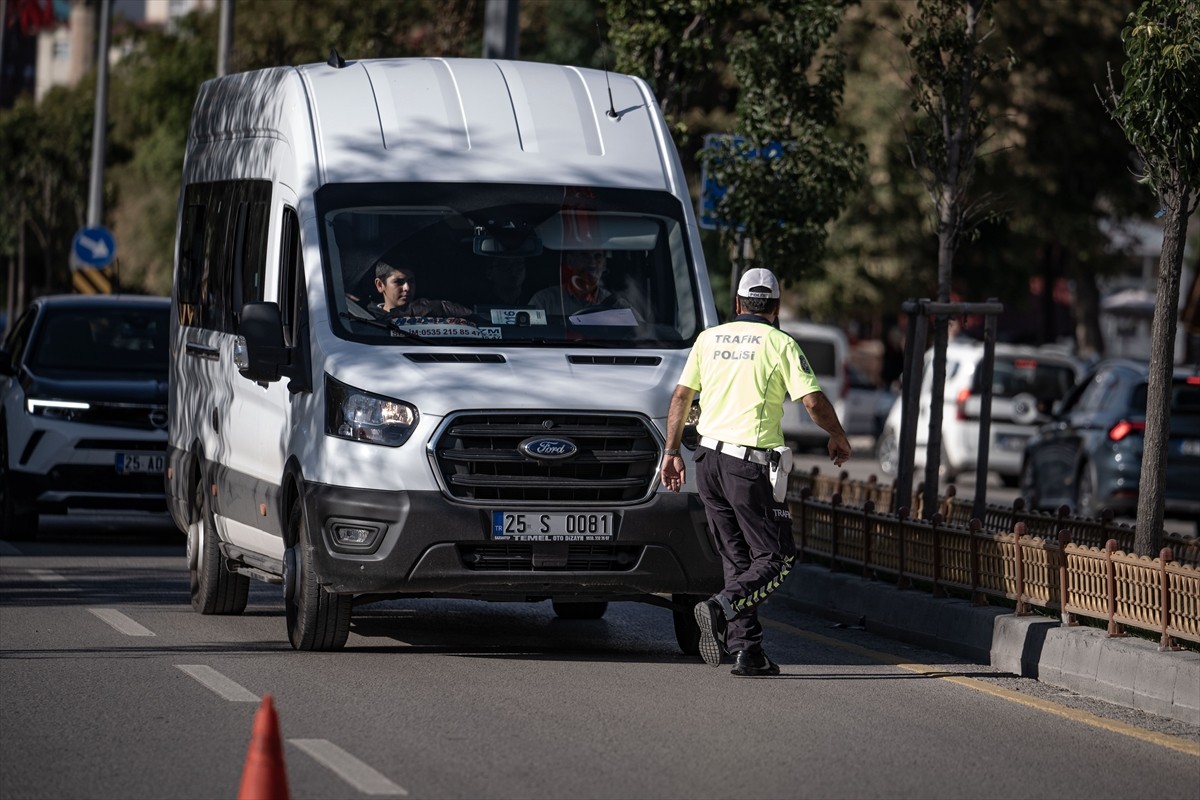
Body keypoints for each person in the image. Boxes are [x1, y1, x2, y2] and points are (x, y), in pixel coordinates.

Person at [661, 267, 851, 677]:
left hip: (707, 461)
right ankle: (719, 606)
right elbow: (813, 402)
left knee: (737, 558)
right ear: (777, 308)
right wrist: (836, 435)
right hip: (747, 467)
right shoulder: (780, 343)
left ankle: (748, 651)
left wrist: (670, 451)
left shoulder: (708, 339)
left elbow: (680, 396)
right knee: (777, 557)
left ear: (738, 304)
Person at [527, 250, 635, 319]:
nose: (592, 263)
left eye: (597, 256)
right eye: (584, 254)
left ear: (604, 264)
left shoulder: (617, 305)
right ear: (570, 261)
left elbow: (641, 333)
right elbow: (529, 334)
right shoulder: (544, 301)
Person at [371, 258, 471, 319]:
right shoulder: (367, 319)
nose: (407, 288)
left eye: (411, 281)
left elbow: (470, 316)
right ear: (380, 285)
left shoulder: (431, 309)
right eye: (398, 282)